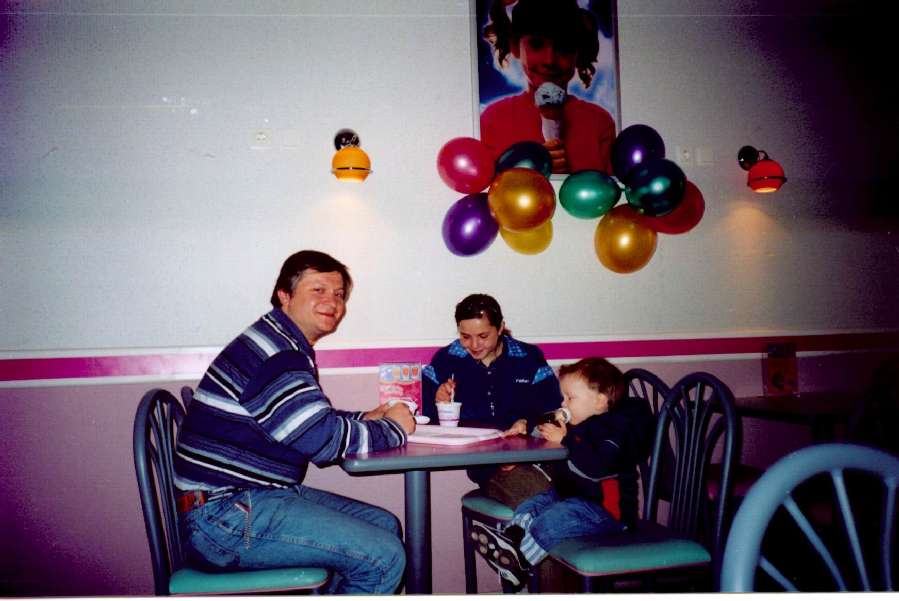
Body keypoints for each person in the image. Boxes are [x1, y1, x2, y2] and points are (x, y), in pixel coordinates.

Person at [173, 250, 415, 595]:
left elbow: (306, 422)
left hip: (243, 501)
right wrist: (394, 428)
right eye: (318, 290)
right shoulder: (278, 354)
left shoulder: (279, 342)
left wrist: (366, 418)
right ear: (284, 296)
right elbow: (323, 441)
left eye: (339, 294)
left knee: (384, 525)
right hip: (224, 517)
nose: (333, 302)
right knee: (384, 557)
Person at [470, 357, 655, 590]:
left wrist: (566, 439)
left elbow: (597, 468)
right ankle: (512, 539)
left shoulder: (615, 430)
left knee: (554, 519)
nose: (563, 403)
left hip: (607, 512)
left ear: (599, 401)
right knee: (533, 504)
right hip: (572, 497)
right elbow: (548, 433)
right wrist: (528, 428)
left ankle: (520, 562)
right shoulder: (580, 421)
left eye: (570, 398)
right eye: (563, 397)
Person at [422, 293, 562, 508]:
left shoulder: (528, 357)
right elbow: (421, 417)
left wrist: (528, 422)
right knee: (541, 499)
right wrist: (436, 401)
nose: (474, 344)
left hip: (538, 453)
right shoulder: (446, 360)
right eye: (465, 336)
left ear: (500, 328)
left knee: (576, 492)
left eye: (483, 335)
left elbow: (554, 408)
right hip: (488, 464)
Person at [479, 0, 616, 174]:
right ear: (515, 46)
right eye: (536, 44)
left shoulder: (599, 122)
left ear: (578, 52)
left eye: (564, 46)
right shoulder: (494, 119)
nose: (550, 60)